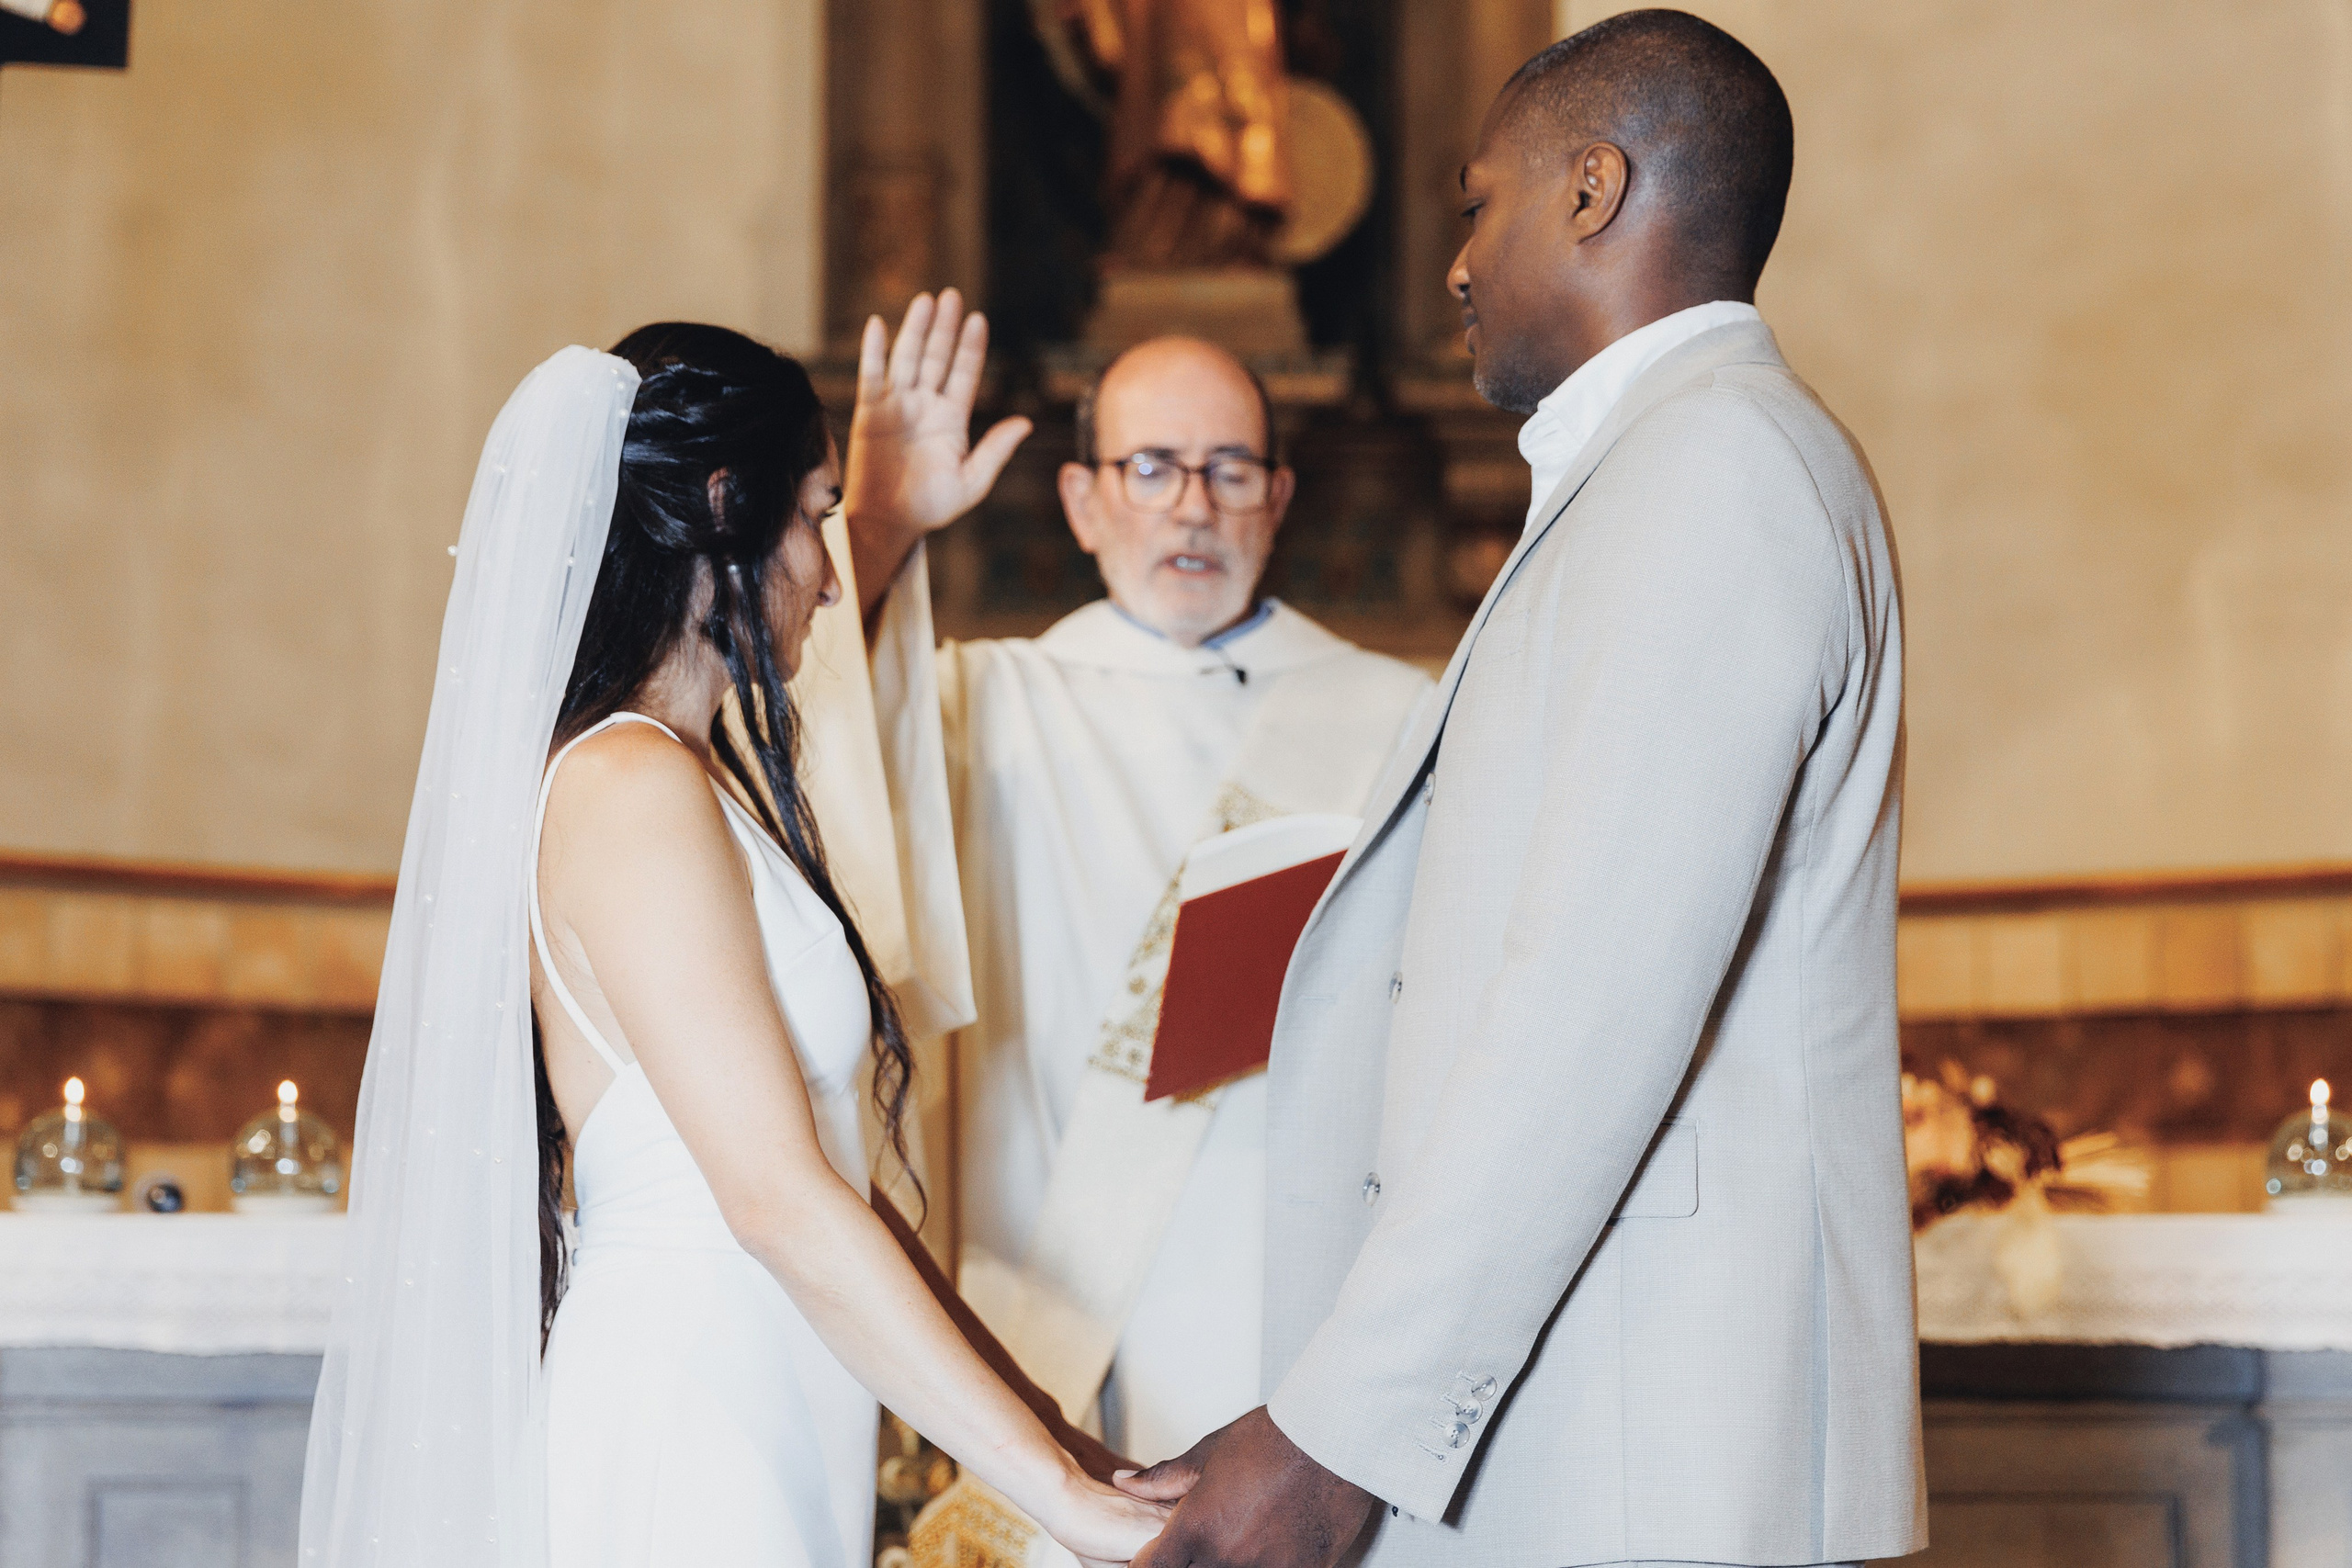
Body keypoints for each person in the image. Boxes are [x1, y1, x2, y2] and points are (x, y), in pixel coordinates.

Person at [1119, 12, 1928, 1567]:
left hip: (1656, 1444)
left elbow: (1589, 1008)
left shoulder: (1717, 475)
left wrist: (1331, 1436)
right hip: (1596, 1417)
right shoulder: (1661, 471)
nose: (1455, 265)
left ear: (1590, 192)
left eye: (1476, 204)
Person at [299, 326, 1164, 1568]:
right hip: (686, 1413)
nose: (823, 570)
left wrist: (1055, 1444)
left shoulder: (689, 781)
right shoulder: (627, 785)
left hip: (762, 1396)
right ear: (724, 507)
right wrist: (1063, 1503)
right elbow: (773, 1196)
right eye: (816, 515)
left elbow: (828, 1175)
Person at [844, 296, 1431, 1469]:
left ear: (1278, 494)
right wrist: (877, 527)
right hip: (1050, 1287)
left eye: (1228, 469)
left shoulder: (1398, 715)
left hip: (1297, 1295)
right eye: (1152, 466)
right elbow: (802, 748)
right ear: (1082, 499)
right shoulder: (983, 705)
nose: (1193, 507)